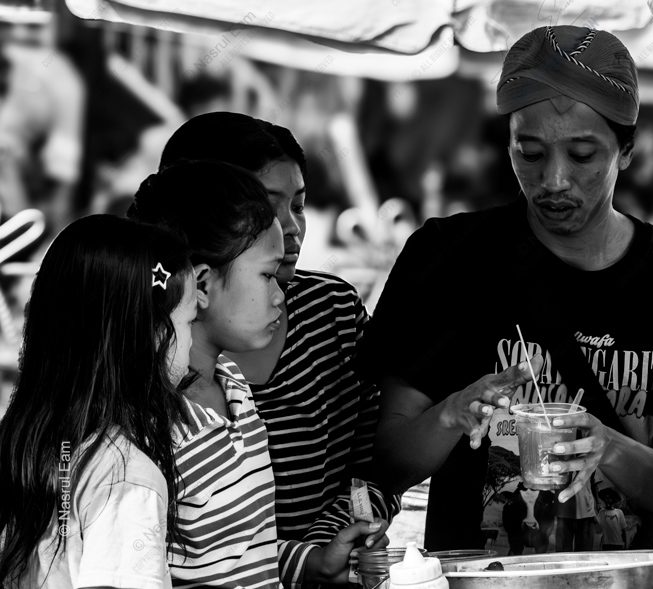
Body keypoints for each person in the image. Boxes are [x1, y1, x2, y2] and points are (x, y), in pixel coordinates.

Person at [359, 25, 653, 553]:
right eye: (531, 153)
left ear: (626, 150)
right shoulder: (448, 260)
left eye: (583, 155)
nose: (554, 180)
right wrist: (450, 414)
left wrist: (608, 447)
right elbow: (386, 464)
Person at [129, 159, 387, 588]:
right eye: (267, 276)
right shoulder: (149, 423)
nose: (280, 296)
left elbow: (240, 550)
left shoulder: (232, 384)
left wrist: (314, 563)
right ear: (204, 286)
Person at [0, 214, 196, 588]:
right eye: (188, 322)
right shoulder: (128, 480)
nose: (189, 341)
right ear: (153, 336)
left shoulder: (18, 444)